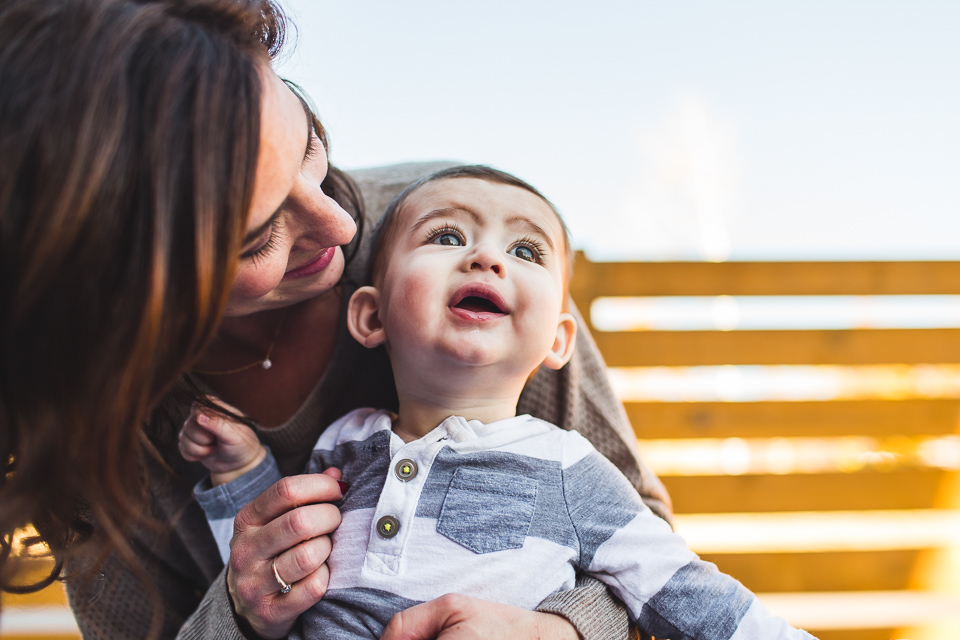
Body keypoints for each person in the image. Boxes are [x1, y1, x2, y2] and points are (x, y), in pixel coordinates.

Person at [0, 1, 672, 639]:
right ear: (121, 292)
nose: (344, 226)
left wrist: (565, 628)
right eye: (259, 236)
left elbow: (645, 543)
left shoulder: (460, 235)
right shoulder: (93, 434)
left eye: (309, 148)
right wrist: (238, 613)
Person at [182, 166, 816, 640]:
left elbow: (682, 590)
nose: (485, 257)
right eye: (448, 236)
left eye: (526, 251)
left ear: (559, 339)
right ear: (371, 315)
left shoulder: (570, 471)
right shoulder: (343, 441)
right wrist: (239, 475)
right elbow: (262, 560)